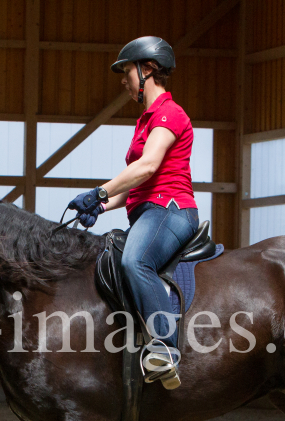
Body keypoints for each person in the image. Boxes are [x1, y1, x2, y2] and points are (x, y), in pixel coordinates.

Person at [66, 36, 198, 390]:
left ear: (148, 69)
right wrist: (103, 205)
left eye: (127, 72)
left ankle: (166, 348)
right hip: (147, 210)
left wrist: (99, 191)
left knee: (134, 262)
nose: (124, 81)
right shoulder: (145, 121)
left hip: (170, 211)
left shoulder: (170, 113)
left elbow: (149, 166)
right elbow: (138, 185)